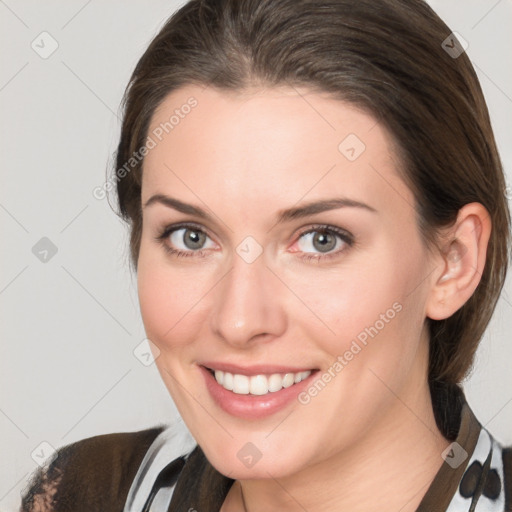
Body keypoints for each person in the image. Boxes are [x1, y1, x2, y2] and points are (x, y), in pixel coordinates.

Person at [20, 0, 512, 511]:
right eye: (191, 237)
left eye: (321, 239)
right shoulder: (87, 494)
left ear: (453, 261)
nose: (238, 320)